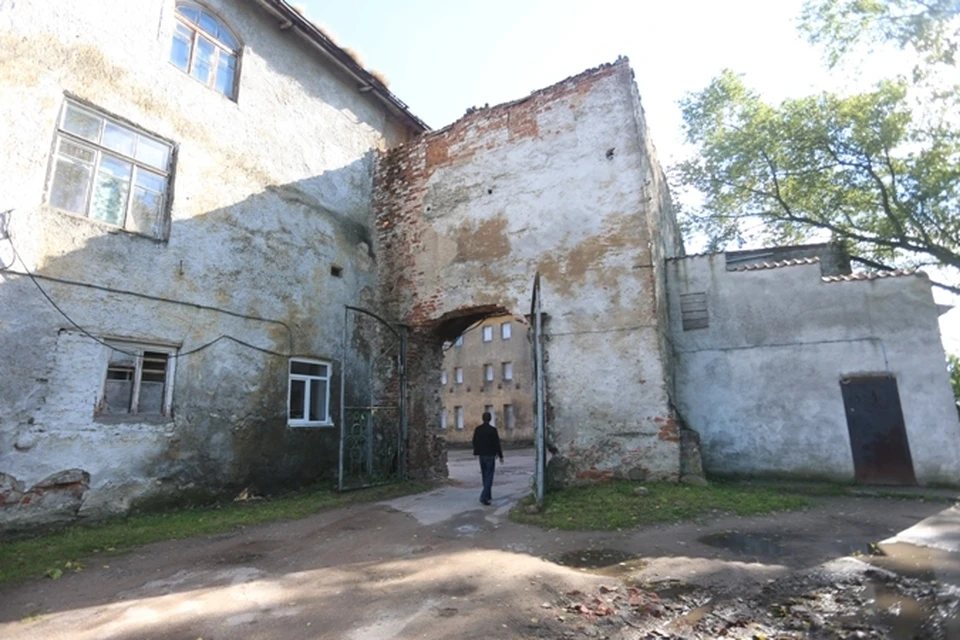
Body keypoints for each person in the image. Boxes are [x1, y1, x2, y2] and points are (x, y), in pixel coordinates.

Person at [472, 411, 503, 505]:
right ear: (490, 419)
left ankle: (488, 494)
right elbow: (497, 443)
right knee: (489, 475)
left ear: (482, 418)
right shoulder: (492, 430)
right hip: (490, 455)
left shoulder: (478, 429)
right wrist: (500, 455)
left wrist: (477, 451)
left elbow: (474, 441)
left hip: (482, 455)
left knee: (485, 475)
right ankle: (484, 496)